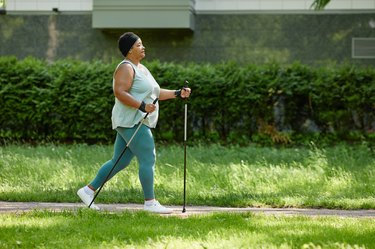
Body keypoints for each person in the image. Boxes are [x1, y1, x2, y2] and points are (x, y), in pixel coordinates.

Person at [77, 32, 191, 214]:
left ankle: (87, 191)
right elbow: (119, 92)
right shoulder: (126, 67)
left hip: (134, 120)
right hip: (131, 121)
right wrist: (142, 106)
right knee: (148, 156)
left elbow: (156, 93)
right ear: (130, 50)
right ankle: (150, 202)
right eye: (139, 45)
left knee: (119, 161)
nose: (143, 47)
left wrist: (178, 93)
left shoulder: (141, 69)